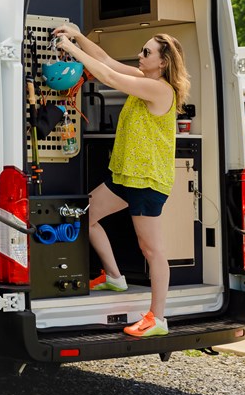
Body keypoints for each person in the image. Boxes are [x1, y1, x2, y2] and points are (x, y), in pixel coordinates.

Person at [51, 23, 190, 338]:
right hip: (126, 174)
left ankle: (157, 318)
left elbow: (109, 77)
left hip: (146, 180)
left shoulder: (159, 89)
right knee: (85, 216)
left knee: (151, 249)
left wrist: (71, 50)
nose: (140, 56)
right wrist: (79, 36)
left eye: (146, 52)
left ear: (163, 62)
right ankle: (114, 276)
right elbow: (107, 61)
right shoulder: (145, 79)